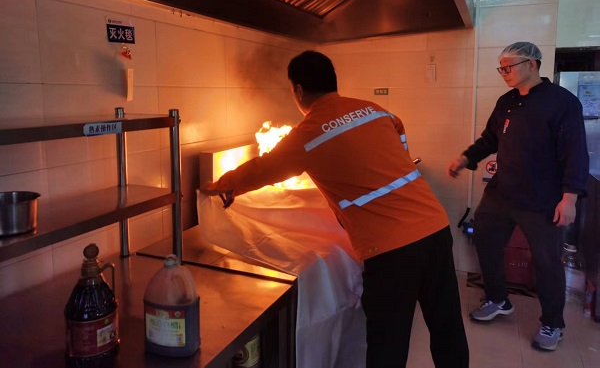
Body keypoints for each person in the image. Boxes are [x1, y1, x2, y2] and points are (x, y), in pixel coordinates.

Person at [201, 51, 469, 368]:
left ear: (298, 90)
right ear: (333, 81)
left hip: (391, 248)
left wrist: (222, 185)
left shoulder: (308, 133)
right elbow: (398, 139)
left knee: (388, 342)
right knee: (447, 327)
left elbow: (263, 169)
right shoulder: (374, 110)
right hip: (434, 226)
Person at [447, 42, 589, 351]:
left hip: (542, 199)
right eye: (501, 67)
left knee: (547, 262)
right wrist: (466, 158)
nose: (504, 72)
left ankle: (553, 323)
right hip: (502, 193)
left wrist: (570, 198)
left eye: (509, 66)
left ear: (532, 64)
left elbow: (575, 152)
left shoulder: (562, 102)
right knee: (485, 241)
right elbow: (490, 139)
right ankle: (498, 299)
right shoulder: (507, 101)